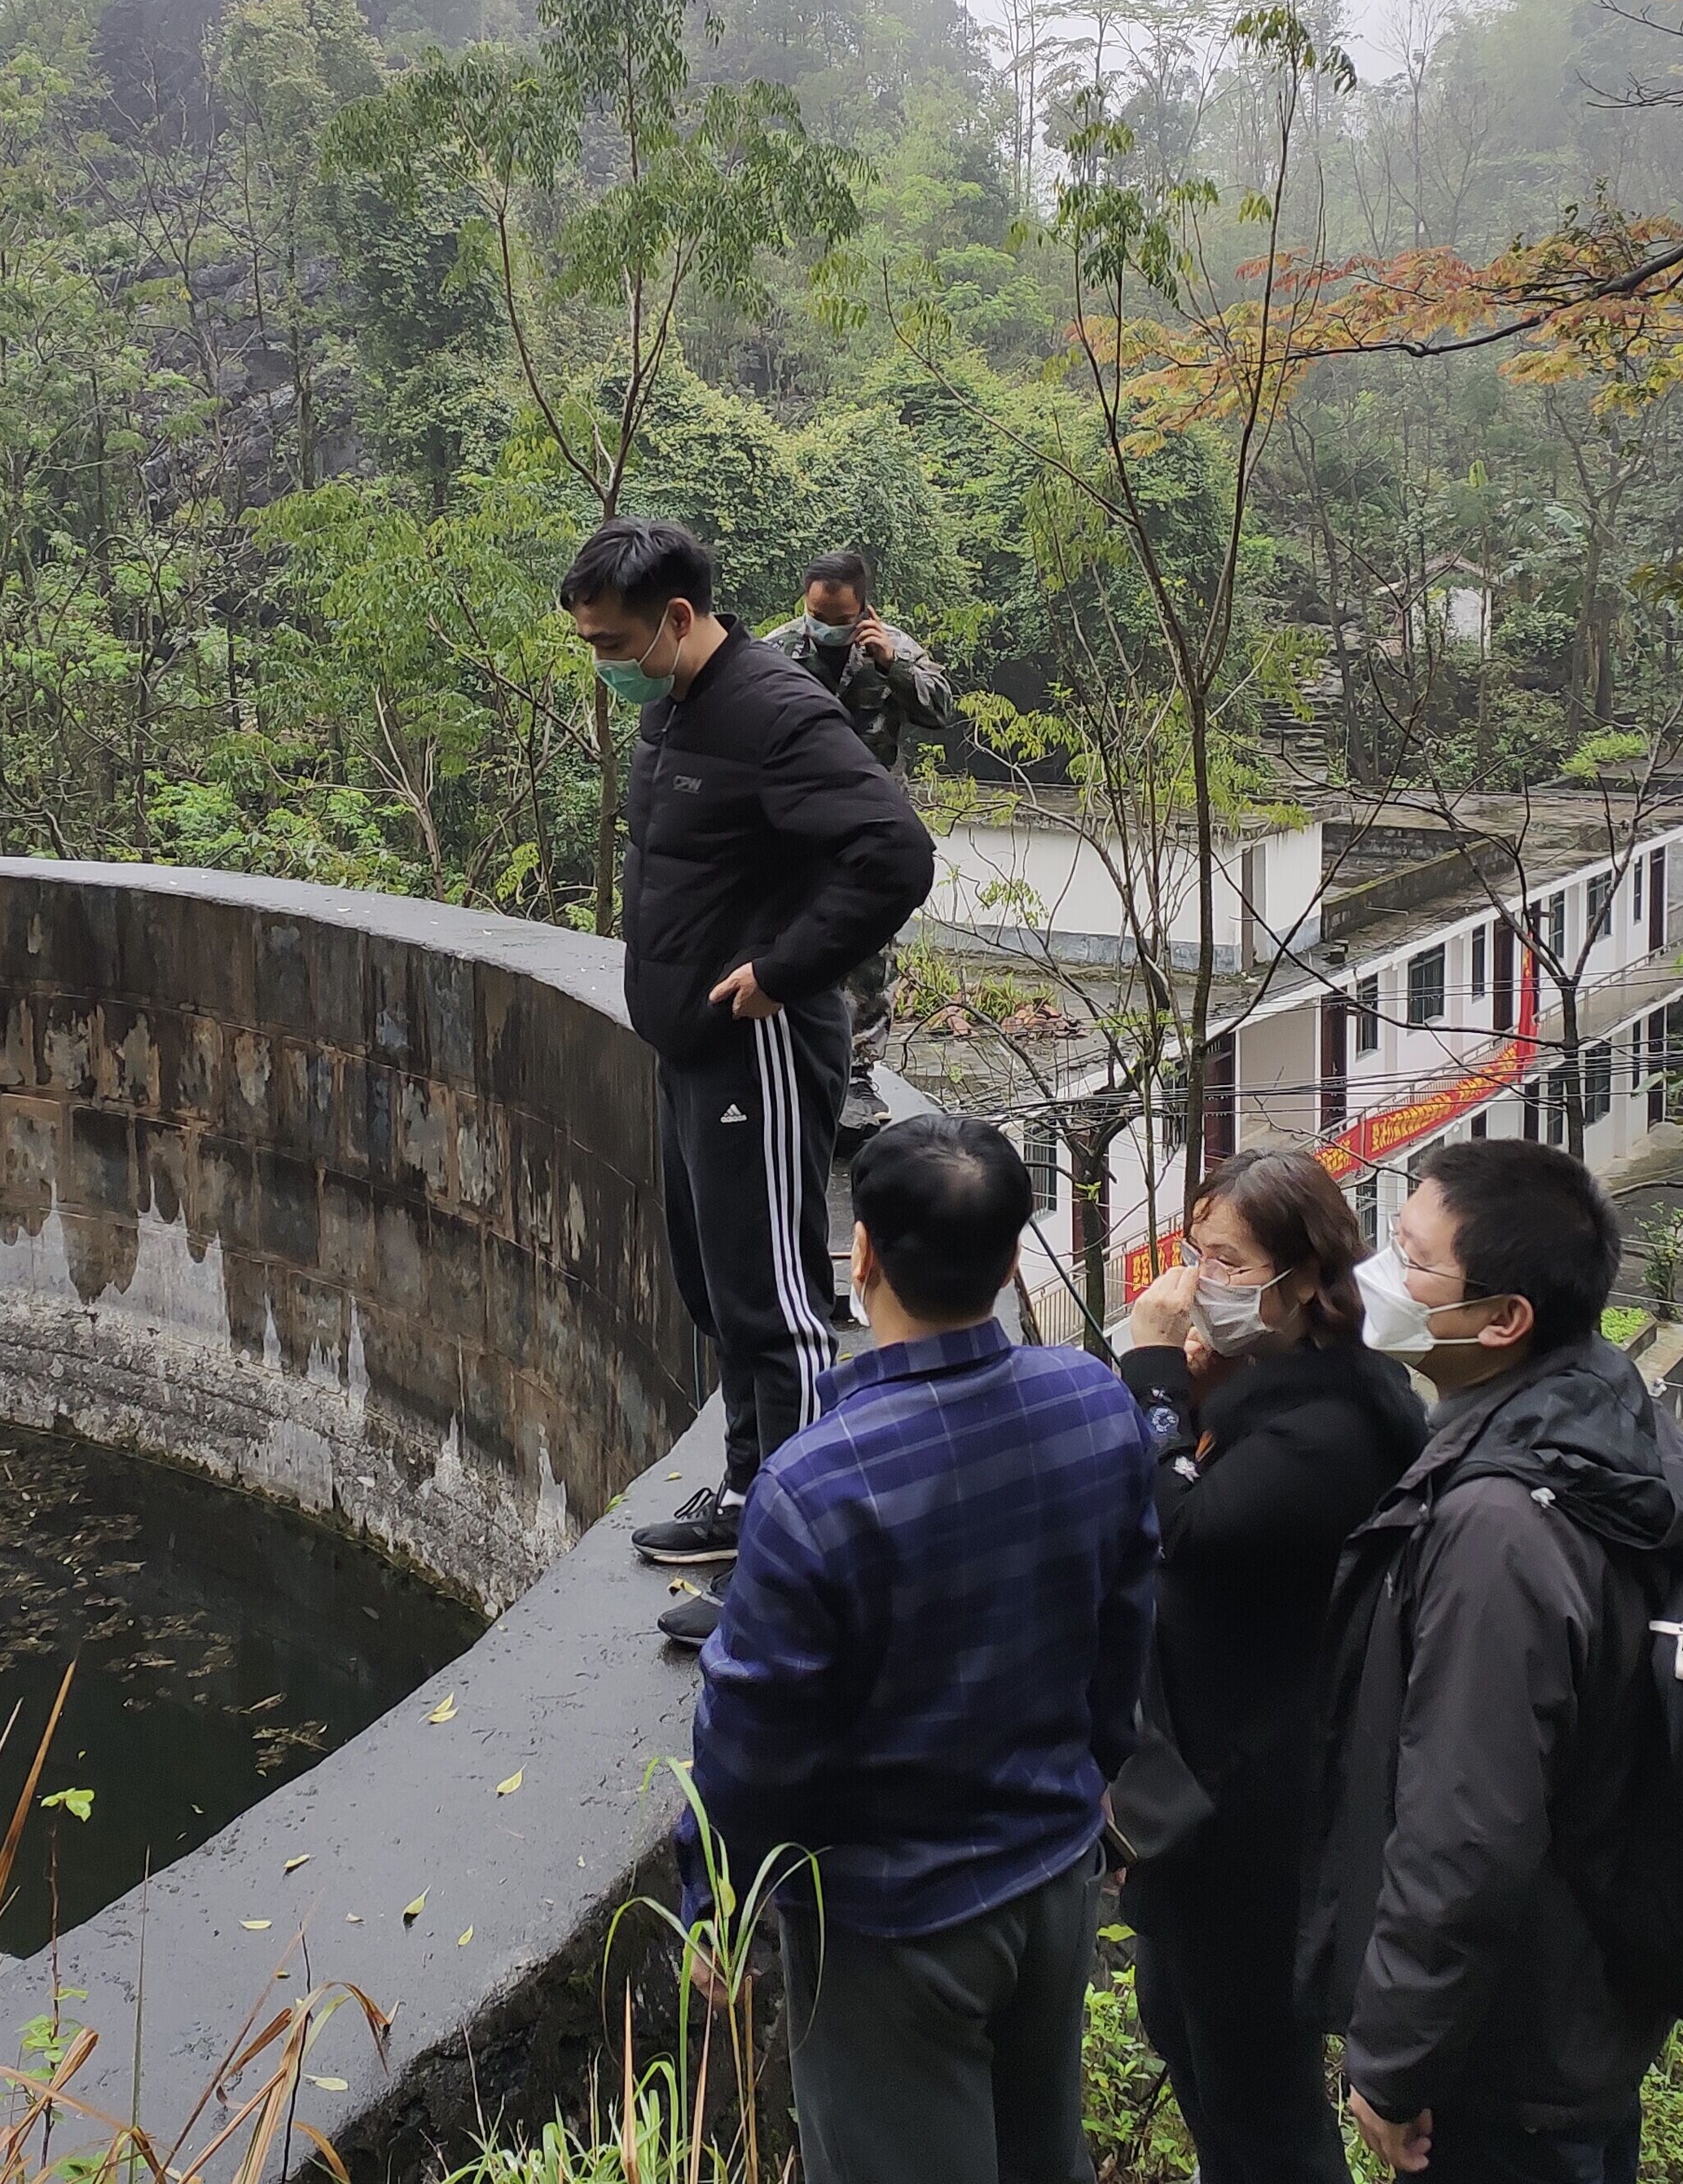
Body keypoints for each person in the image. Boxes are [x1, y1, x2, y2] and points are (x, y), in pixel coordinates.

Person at [683, 1114, 1158, 2184]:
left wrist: (717, 1898)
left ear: (862, 1259)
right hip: (1051, 1869)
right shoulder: (1094, 1402)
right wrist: (1095, 1776)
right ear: (1011, 1256)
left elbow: (753, 1737)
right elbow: (1124, 1625)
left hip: (893, 1924)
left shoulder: (812, 1486)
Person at [1300, 1140, 1683, 2184]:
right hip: (1571, 2006)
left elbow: (1469, 1818)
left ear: (1504, 1320)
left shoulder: (1503, 1523)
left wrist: (1396, 2058)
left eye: (1412, 1260)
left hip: (1503, 2058)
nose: (1380, 1276)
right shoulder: (1592, 1411)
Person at [559, 516, 935, 1646]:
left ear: (677, 618)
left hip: (758, 1050)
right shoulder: (675, 702)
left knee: (778, 1308)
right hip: (692, 1049)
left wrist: (785, 968)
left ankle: (803, 1564)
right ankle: (744, 1496)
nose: (604, 664)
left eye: (613, 641)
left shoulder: (771, 709)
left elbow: (895, 852)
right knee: (715, 1289)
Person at [1112, 1148, 1426, 2184]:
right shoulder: (1276, 1390)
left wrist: (1154, 1374)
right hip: (1199, 1787)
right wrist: (1204, 1397)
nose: (1200, 1278)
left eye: (1227, 1259)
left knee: (1255, 2091)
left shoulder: (1336, 1423)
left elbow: (1187, 1530)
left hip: (1257, 1813)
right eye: (1196, 1251)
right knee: (1181, 2024)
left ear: (1301, 1279)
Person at [766, 549, 951, 1094]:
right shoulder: (776, 650)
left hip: (870, 823)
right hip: (797, 823)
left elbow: (941, 709)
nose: (825, 629)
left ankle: (859, 1071)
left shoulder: (891, 648)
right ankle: (795, 1057)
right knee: (793, 934)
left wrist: (892, 665)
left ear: (863, 609)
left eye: (838, 620)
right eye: (816, 617)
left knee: (868, 946)